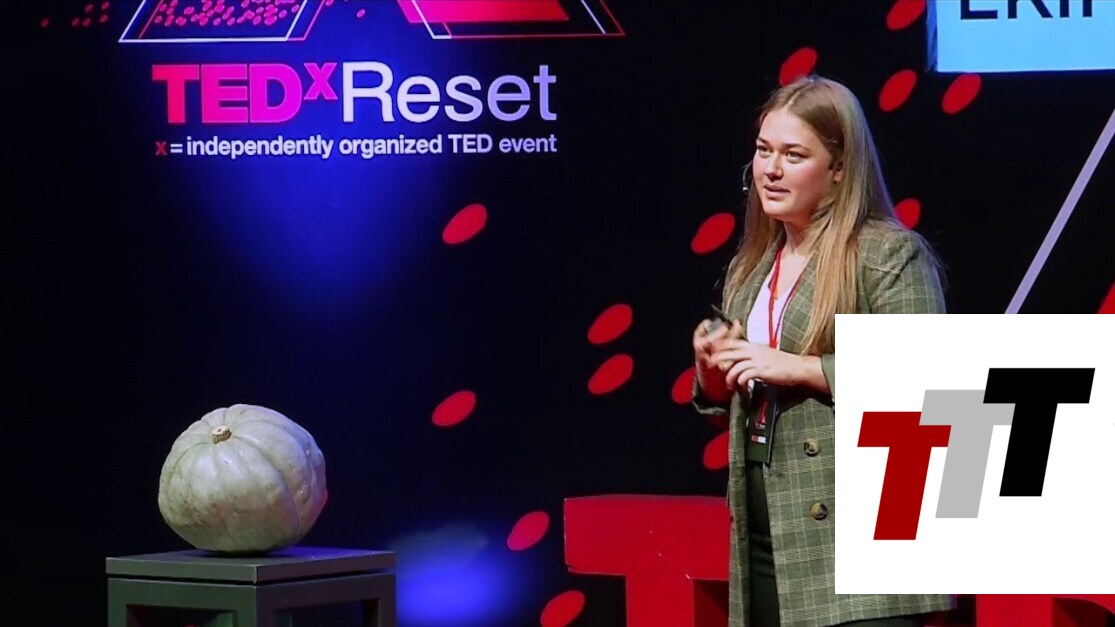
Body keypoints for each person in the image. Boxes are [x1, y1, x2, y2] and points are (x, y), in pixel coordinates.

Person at [690, 74, 955, 627]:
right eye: (764, 150)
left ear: (839, 169)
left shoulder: (886, 254)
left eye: (794, 155)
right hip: (767, 537)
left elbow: (928, 382)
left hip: (858, 551)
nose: (771, 169)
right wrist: (714, 371)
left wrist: (801, 368)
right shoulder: (750, 268)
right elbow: (739, 405)